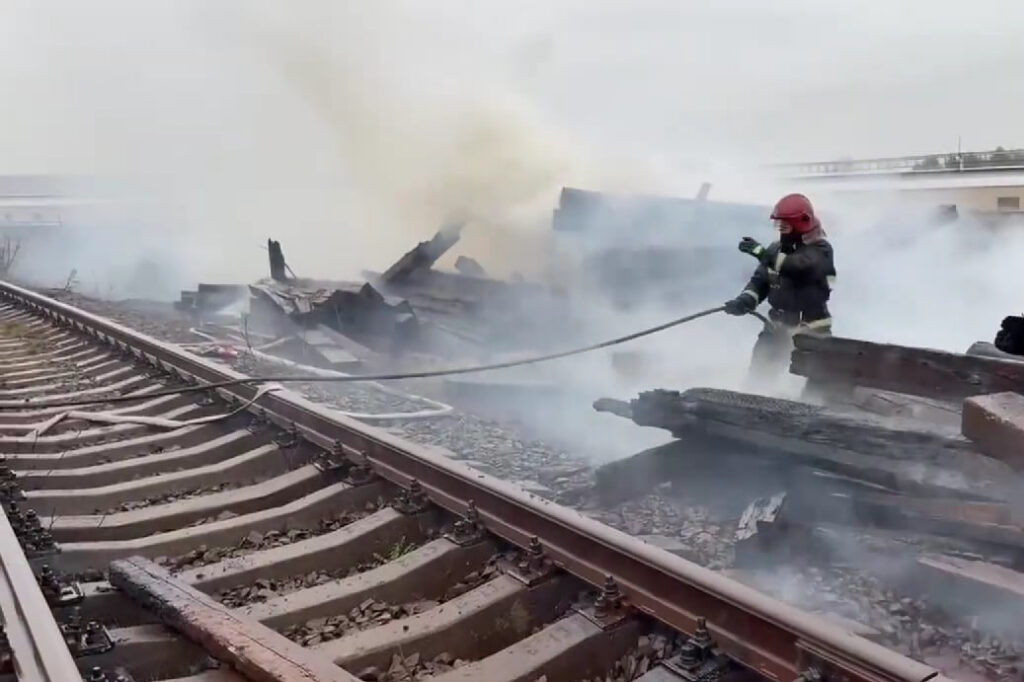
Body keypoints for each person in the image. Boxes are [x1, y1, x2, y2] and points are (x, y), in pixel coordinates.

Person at [723, 193, 836, 387]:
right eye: (779, 224)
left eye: (785, 223)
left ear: (801, 222)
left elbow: (798, 267)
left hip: (811, 331)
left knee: (812, 387)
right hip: (776, 327)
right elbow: (760, 282)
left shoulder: (821, 249)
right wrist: (745, 301)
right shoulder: (774, 250)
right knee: (758, 381)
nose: (780, 228)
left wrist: (760, 253)